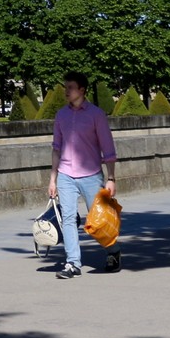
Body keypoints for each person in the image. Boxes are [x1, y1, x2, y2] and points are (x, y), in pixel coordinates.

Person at [47, 72, 120, 278]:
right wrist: (53, 179)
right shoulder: (61, 115)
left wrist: (111, 178)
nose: (66, 91)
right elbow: (56, 148)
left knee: (99, 220)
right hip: (65, 175)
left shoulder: (96, 115)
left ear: (82, 90)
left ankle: (113, 251)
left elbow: (108, 148)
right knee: (68, 218)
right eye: (65, 87)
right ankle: (72, 263)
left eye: (70, 87)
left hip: (91, 175)